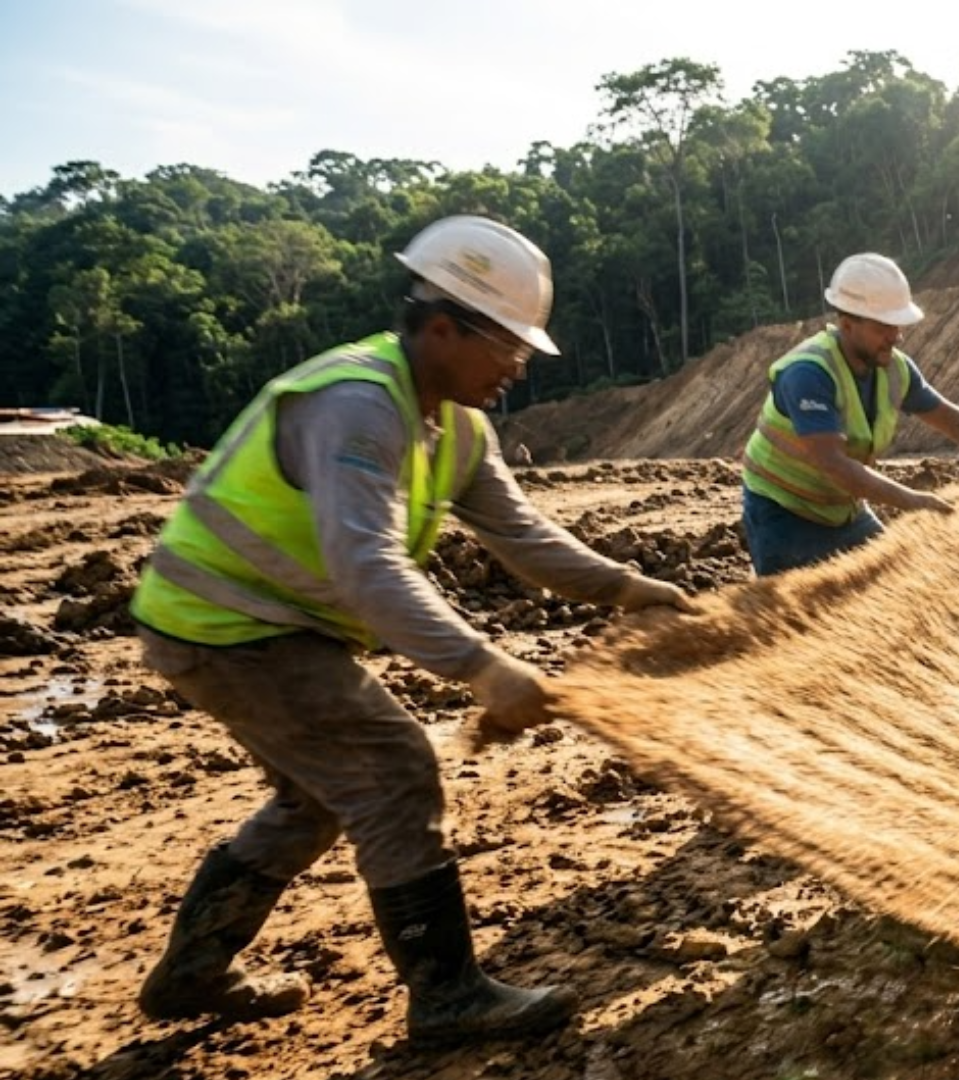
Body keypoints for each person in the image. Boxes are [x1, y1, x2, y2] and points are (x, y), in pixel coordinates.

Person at [127, 214, 693, 1045]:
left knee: (317, 796)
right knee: (392, 768)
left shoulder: (458, 424)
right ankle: (448, 996)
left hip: (272, 624)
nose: (519, 366)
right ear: (440, 328)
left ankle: (191, 974)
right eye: (508, 346)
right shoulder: (357, 406)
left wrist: (630, 590)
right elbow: (367, 563)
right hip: (223, 623)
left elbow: (521, 536)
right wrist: (482, 667)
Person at [740, 252, 959, 576]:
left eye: (897, 325)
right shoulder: (808, 374)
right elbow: (833, 464)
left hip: (844, 508)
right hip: (784, 514)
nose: (896, 336)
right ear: (847, 324)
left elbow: (955, 424)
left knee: (893, 582)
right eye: (884, 326)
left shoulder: (894, 369)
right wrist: (914, 501)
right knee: (801, 618)